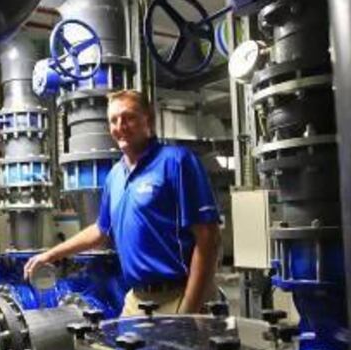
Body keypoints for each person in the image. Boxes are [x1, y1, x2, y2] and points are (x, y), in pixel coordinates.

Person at [24, 90, 221, 315]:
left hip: (177, 296)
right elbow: (100, 230)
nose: (120, 126)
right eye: (114, 120)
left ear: (149, 119)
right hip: (136, 299)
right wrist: (50, 255)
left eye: (129, 117)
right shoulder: (115, 175)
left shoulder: (177, 162)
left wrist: (190, 309)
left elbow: (208, 239)